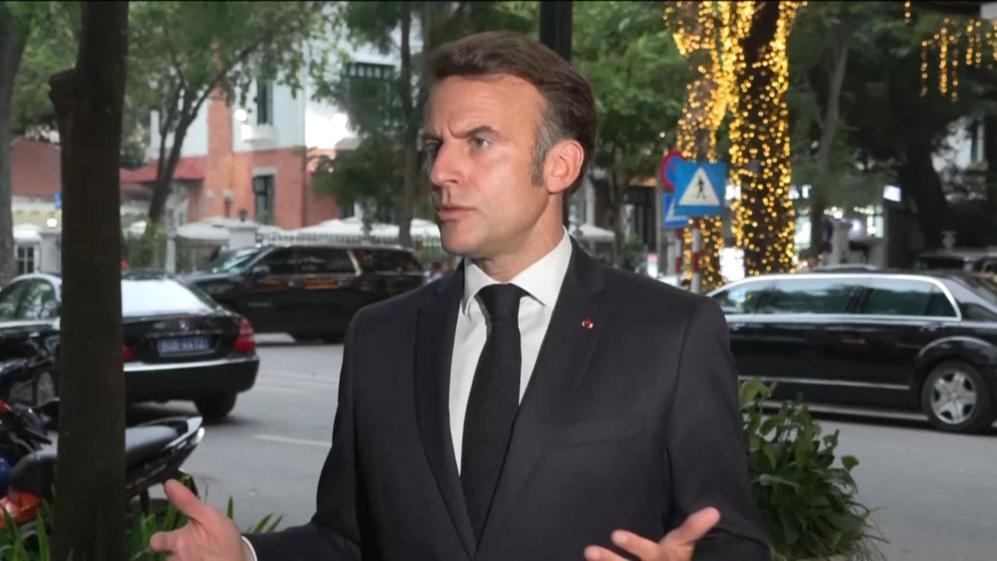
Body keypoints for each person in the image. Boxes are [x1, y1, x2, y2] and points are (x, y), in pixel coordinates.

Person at [149, 31, 770, 561]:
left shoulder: (672, 333)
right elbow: (348, 539)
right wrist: (247, 554)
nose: (441, 171)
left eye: (478, 141)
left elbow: (732, 541)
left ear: (559, 166)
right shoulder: (381, 337)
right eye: (435, 146)